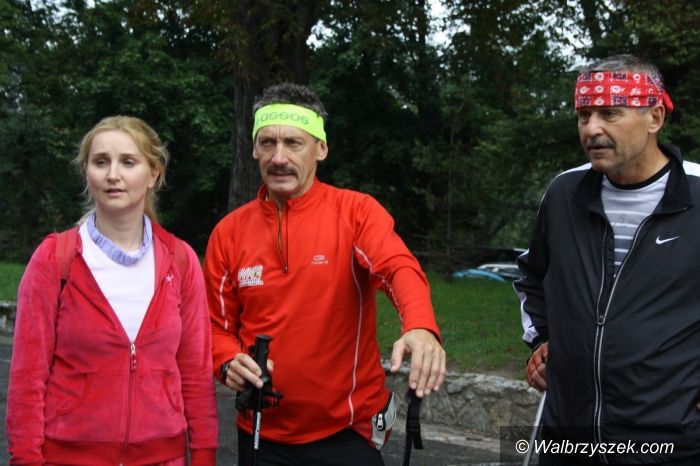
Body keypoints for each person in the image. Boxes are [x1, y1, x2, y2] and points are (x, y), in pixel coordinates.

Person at [204, 82, 445, 465]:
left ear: (321, 148)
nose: (278, 157)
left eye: (293, 143)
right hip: (260, 430)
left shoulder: (355, 213)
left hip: (346, 431)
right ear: (253, 149)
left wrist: (419, 326)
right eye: (267, 143)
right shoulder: (229, 233)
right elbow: (215, 328)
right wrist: (227, 361)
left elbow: (398, 267)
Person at [516, 54, 700, 465]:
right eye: (584, 115)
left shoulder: (697, 194)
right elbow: (532, 278)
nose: (592, 129)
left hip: (670, 444)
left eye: (609, 113)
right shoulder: (564, 193)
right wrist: (541, 341)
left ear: (654, 117)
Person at [6, 116, 218, 465]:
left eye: (128, 162)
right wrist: (26, 459)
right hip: (69, 458)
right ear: (86, 172)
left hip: (162, 458)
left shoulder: (180, 261)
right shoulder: (54, 259)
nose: (113, 174)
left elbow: (195, 374)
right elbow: (27, 378)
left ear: (153, 174)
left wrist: (205, 454)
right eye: (101, 162)